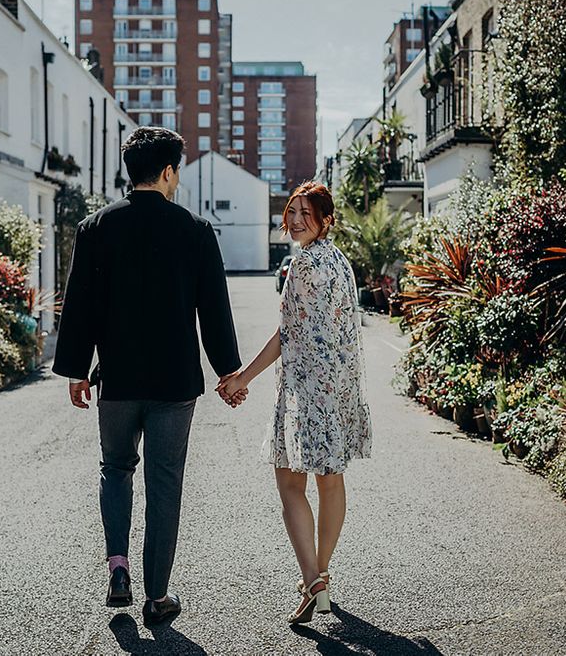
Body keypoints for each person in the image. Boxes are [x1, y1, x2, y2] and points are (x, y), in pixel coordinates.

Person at [52, 126, 246, 627]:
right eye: (177, 170)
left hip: (116, 380)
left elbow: (80, 307)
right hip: (174, 384)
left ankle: (118, 567)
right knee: (164, 482)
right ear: (166, 171)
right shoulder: (196, 231)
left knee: (115, 468)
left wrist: (75, 370)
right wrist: (229, 372)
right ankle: (157, 596)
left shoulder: (96, 228)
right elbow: (215, 313)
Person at [217, 181, 371, 624]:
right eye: (293, 211)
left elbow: (287, 336)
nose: (297, 219)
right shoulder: (341, 261)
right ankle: (320, 574)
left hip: (307, 390)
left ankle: (314, 579)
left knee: (289, 483)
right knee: (331, 481)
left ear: (325, 219)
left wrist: (240, 378)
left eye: (306, 213)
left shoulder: (303, 263)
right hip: (338, 388)